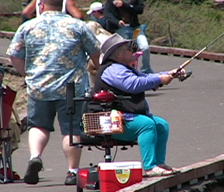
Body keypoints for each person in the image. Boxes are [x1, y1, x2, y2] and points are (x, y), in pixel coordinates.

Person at [6, 0, 101, 185]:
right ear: (63, 6)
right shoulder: (78, 26)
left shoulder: (28, 26)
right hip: (72, 87)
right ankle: (72, 172)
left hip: (39, 86)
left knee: (38, 126)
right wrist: (100, 77)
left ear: (41, 6)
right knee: (71, 129)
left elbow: (14, 55)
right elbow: (96, 53)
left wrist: (27, 75)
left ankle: (35, 156)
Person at [87, 33, 184, 177]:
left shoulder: (123, 67)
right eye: (128, 49)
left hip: (120, 116)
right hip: (107, 119)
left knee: (161, 125)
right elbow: (133, 84)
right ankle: (150, 167)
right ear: (118, 54)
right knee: (147, 124)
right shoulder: (113, 69)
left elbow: (145, 78)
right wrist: (160, 79)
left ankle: (159, 164)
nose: (132, 51)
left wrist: (169, 74)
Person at [104, 0, 154, 74]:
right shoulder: (111, 1)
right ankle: (126, 70)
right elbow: (107, 14)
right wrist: (117, 22)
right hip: (121, 28)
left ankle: (146, 70)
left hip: (136, 28)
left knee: (145, 47)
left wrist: (124, 5)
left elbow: (140, 10)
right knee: (126, 51)